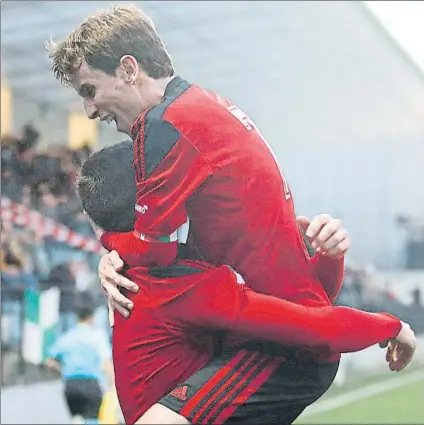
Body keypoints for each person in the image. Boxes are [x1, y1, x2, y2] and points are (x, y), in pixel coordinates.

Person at [47, 5, 416, 423]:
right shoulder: (206, 105)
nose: (89, 110)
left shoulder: (164, 126)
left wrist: (108, 246)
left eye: (89, 90)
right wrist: (331, 257)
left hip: (281, 347)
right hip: (287, 329)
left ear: (129, 69)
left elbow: (155, 251)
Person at [77, 141, 414, 424]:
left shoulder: (151, 264)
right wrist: (394, 326)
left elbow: (308, 307)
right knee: (305, 353)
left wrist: (329, 255)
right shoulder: (177, 282)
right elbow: (312, 326)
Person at [45, 292, 114, 425]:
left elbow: (49, 361)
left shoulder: (67, 336)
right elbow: (106, 363)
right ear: (91, 317)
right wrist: (112, 385)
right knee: (92, 419)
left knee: (76, 419)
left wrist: (63, 370)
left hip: (70, 384)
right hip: (90, 384)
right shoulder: (97, 336)